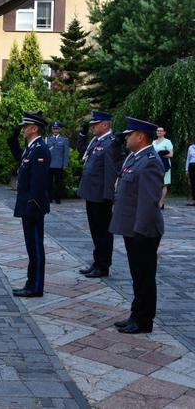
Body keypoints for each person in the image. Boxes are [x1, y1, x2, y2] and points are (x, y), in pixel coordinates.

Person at [109, 117, 164, 334]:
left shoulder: (150, 160)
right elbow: (114, 163)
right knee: (137, 275)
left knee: (144, 276)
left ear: (140, 137)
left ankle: (144, 321)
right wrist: (115, 143)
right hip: (134, 228)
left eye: (129, 135)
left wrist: (140, 230)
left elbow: (149, 201)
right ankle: (136, 314)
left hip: (144, 230)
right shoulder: (134, 158)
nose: (126, 138)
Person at [76, 110, 125, 278]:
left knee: (103, 232)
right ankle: (97, 262)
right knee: (95, 231)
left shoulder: (110, 143)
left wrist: (108, 196)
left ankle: (103, 265)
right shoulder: (97, 141)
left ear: (105, 125)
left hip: (101, 196)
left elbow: (111, 172)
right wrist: (82, 134)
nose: (92, 128)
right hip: (92, 193)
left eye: (95, 125)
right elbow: (82, 152)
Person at [8, 111, 51, 298]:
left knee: (35, 247)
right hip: (27, 204)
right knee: (31, 247)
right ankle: (31, 283)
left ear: (34, 128)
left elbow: (39, 182)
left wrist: (33, 204)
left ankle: (35, 286)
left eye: (26, 126)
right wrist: (13, 134)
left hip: (33, 205)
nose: (23, 129)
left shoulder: (40, 149)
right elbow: (16, 153)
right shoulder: (31, 148)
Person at [46, 121, 69, 204]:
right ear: (51, 129)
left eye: (57, 128)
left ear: (59, 129)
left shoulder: (64, 139)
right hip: (49, 164)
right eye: (54, 128)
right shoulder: (47, 139)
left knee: (58, 183)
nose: (55, 130)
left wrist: (65, 164)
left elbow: (66, 153)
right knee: (49, 182)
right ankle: (49, 198)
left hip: (59, 164)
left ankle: (57, 198)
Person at [152, 126, 173, 209]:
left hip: (164, 165)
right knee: (155, 183)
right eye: (157, 131)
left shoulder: (167, 142)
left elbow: (171, 154)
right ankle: (155, 201)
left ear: (164, 132)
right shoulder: (153, 142)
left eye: (161, 131)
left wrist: (161, 155)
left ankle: (161, 203)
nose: (159, 132)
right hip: (154, 164)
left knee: (164, 184)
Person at [187, 138, 195, 206]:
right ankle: (193, 201)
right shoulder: (191, 147)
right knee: (193, 183)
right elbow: (188, 158)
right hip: (192, 165)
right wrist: (186, 169)